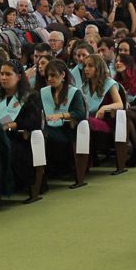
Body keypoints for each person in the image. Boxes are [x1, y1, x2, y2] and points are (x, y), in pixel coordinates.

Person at [0, 59, 45, 203]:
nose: (3, 77)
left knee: (8, 149)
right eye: (2, 74)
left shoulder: (30, 96)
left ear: (19, 77)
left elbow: (34, 121)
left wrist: (13, 125)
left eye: (8, 74)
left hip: (20, 137)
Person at [39, 60, 88, 188]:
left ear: (63, 75)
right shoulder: (43, 92)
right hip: (48, 127)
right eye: (48, 76)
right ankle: (39, 176)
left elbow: (80, 113)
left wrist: (61, 115)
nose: (50, 79)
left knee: (42, 135)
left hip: (66, 130)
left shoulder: (73, 92)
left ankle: (42, 177)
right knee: (37, 134)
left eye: (53, 75)